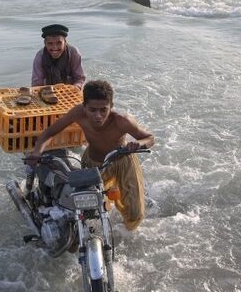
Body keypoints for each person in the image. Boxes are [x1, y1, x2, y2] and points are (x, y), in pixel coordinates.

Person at [26, 80, 154, 231]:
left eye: (103, 110)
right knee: (86, 206)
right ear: (84, 107)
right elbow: (49, 132)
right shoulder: (78, 113)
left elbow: (150, 138)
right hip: (92, 162)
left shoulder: (122, 121)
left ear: (111, 106)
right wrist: (37, 153)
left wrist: (139, 144)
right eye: (92, 110)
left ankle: (126, 234)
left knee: (134, 212)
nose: (98, 116)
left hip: (122, 161)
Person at [32, 24, 85, 90]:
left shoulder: (73, 53)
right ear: (45, 44)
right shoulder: (40, 56)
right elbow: (36, 83)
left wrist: (76, 87)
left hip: (70, 91)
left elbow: (79, 78)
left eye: (59, 43)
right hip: (47, 92)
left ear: (65, 42)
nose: (55, 47)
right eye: (50, 43)